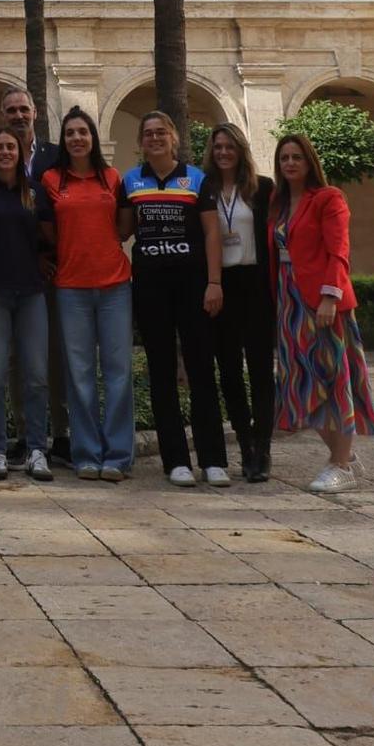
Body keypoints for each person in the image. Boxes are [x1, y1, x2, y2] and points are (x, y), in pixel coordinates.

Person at [119, 110, 228, 488]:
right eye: (148, 133)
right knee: (162, 374)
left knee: (200, 370)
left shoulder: (197, 179)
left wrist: (214, 282)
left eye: (160, 132)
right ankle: (175, 461)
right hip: (150, 288)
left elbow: (212, 234)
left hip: (193, 286)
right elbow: (121, 230)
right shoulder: (131, 181)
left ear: (174, 138)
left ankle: (213, 459)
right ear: (141, 141)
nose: (154, 138)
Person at [272, 131, 374, 494]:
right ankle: (344, 460)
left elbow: (339, 251)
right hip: (288, 302)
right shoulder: (279, 203)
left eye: (296, 157)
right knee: (301, 384)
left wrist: (330, 297)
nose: (289, 163)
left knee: (333, 379)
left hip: (321, 302)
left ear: (309, 161)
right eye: (284, 157)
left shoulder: (328, 198)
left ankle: (340, 463)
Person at [0, 86, 69, 463]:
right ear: (3, 115)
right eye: (11, 110)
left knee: (52, 357)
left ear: (35, 111)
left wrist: (46, 257)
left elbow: (56, 217)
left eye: (23, 109)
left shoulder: (53, 156)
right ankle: (23, 433)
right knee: (10, 363)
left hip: (49, 273)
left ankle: (58, 433)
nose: (18, 115)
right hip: (5, 277)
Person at [43, 106, 133, 482]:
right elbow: (47, 230)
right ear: (63, 142)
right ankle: (85, 453)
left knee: (118, 372)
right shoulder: (51, 179)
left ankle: (117, 456)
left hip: (114, 286)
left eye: (83, 132)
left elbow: (124, 226)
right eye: (70, 133)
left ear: (93, 138)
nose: (77, 138)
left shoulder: (111, 177)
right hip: (71, 289)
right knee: (78, 374)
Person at [199, 123, 276, 482]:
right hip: (222, 284)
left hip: (256, 284)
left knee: (261, 370)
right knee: (229, 370)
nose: (223, 153)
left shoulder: (262, 189)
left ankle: (263, 448)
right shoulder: (206, 188)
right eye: (218, 147)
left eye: (229, 147)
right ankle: (244, 445)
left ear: (240, 149)